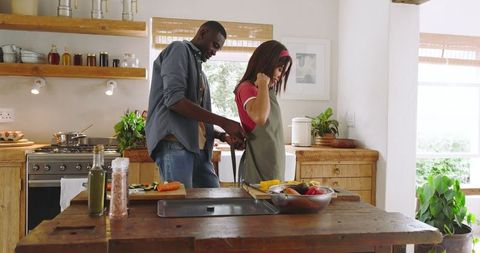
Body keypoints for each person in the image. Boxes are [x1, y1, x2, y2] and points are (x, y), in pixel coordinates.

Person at [146, 21, 246, 188]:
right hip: (174, 142)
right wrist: (224, 122)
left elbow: (196, 121)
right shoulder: (178, 49)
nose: (214, 52)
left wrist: (223, 136)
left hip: (197, 148)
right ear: (202, 33)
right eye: (214, 45)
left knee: (212, 199)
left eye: (218, 48)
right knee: (180, 206)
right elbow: (174, 100)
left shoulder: (201, 74)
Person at [234, 40, 292, 184]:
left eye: (283, 71)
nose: (281, 75)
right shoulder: (247, 88)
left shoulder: (265, 92)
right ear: (266, 63)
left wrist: (264, 86)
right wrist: (263, 83)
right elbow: (260, 117)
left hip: (273, 168)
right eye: (279, 69)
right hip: (259, 171)